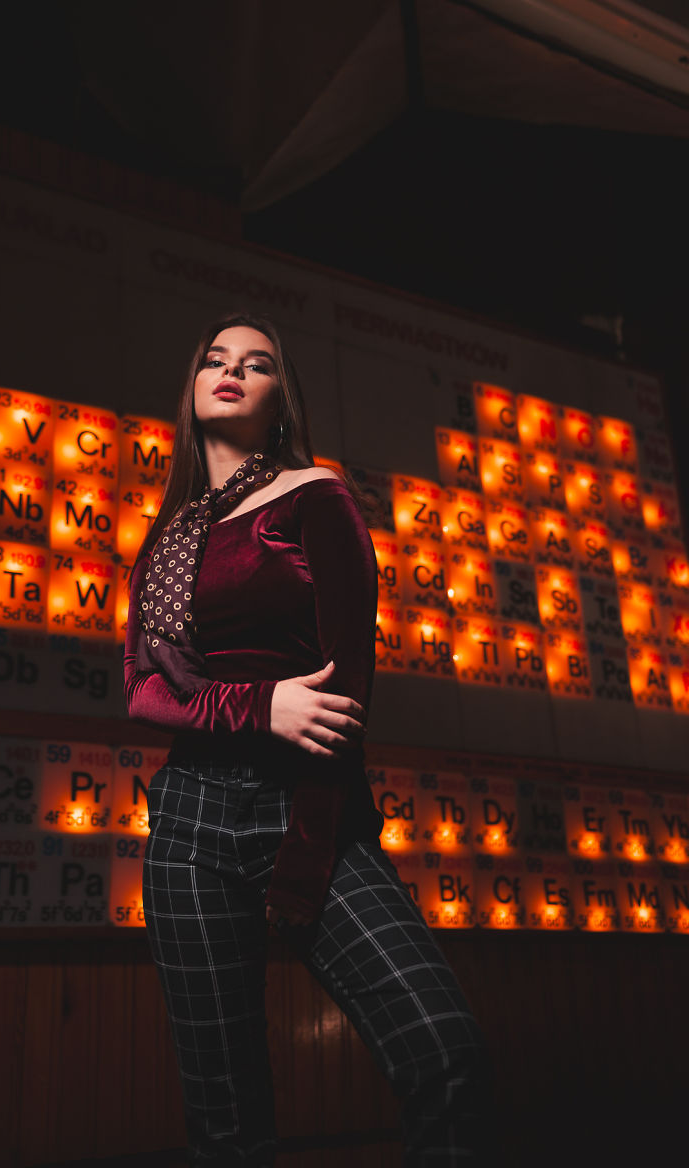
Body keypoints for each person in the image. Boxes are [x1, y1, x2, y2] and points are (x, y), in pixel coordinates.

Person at [123, 312, 489, 1166]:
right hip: (189, 823)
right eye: (214, 359)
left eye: (255, 364)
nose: (231, 371)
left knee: (446, 1049)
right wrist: (259, 707)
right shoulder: (166, 539)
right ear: (192, 387)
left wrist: (309, 840)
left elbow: (348, 685)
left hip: (307, 802)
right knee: (226, 1121)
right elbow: (142, 694)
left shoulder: (315, 495)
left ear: (279, 396)